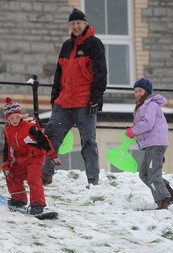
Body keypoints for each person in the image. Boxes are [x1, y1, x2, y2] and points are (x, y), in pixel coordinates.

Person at [42, 8, 107, 186]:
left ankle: (93, 178)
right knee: (51, 138)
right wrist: (54, 98)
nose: (75, 26)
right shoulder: (66, 46)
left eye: (78, 23)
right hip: (63, 102)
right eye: (72, 24)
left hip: (84, 102)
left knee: (88, 141)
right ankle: (45, 173)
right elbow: (58, 75)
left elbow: (101, 73)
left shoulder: (94, 44)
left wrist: (95, 98)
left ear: (85, 24)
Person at [125, 78, 173, 210]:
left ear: (147, 91)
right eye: (135, 91)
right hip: (151, 144)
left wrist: (133, 131)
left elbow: (148, 123)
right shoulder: (143, 105)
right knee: (144, 174)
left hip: (156, 144)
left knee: (153, 174)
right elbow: (145, 123)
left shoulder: (150, 105)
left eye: (140, 90)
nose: (137, 93)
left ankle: (163, 201)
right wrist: (133, 129)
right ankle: (170, 194)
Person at [2, 97, 60, 215]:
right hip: (21, 158)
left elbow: (44, 140)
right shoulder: (7, 130)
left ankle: (37, 204)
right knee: (12, 175)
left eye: (17, 117)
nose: (14, 120)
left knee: (33, 178)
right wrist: (6, 165)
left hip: (35, 157)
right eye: (11, 118)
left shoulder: (29, 127)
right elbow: (7, 148)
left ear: (20, 116)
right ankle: (19, 199)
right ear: (7, 119)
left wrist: (53, 156)